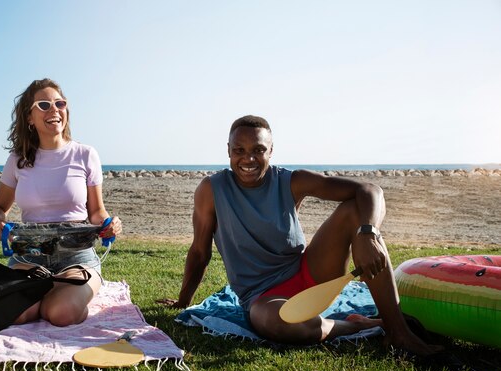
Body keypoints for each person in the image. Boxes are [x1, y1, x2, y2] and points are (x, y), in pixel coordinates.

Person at [161, 115, 442, 356]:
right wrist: (184, 300)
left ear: (271, 151)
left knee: (357, 210)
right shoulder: (212, 190)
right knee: (278, 325)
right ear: (228, 151)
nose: (248, 158)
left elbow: (370, 190)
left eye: (258, 150)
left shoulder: (291, 181)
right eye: (239, 150)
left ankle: (398, 331)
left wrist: (369, 233)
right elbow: (200, 251)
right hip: (262, 297)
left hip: (311, 275)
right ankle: (357, 324)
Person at [0, 78, 122, 327]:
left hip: (77, 257)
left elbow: (96, 212)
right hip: (28, 257)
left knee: (61, 313)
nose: (54, 110)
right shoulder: (17, 159)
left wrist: (108, 223)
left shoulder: (85, 154)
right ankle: (46, 292)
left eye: (59, 103)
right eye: (44, 104)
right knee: (17, 314)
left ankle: (58, 294)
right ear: (29, 117)